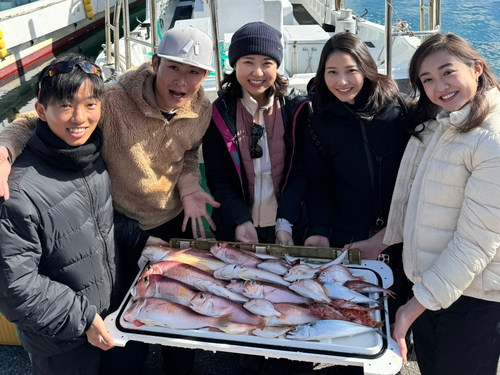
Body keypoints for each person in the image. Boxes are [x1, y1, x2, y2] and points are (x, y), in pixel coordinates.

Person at [0, 26, 217, 375]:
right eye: (174, 67)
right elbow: (33, 120)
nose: (182, 80)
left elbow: (188, 153)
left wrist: (190, 188)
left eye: (194, 71)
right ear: (155, 62)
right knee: (130, 328)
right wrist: (4, 150)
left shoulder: (201, 108)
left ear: (205, 75)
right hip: (117, 225)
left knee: (178, 321)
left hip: (163, 222)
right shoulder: (111, 101)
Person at [355, 33, 500, 375]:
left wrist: (409, 311)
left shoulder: (491, 140)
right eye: (428, 79)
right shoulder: (441, 121)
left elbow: (475, 244)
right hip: (431, 290)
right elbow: (414, 197)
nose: (440, 86)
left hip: (472, 300)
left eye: (448, 72)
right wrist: (383, 240)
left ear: (476, 68)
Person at [303, 32, 411, 333]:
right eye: (332, 72)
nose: (342, 81)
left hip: (399, 235)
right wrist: (319, 230)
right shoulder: (320, 120)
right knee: (351, 315)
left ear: (366, 68)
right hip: (348, 236)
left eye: (351, 71)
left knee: (393, 318)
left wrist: (392, 232)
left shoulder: (398, 111)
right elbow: (318, 182)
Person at [203, 21, 311, 247]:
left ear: (277, 66)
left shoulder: (296, 109)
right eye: (248, 62)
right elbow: (217, 176)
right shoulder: (219, 112)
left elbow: (301, 171)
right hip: (236, 226)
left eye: (267, 63)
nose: (258, 72)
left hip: (288, 226)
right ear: (234, 64)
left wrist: (285, 221)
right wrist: (240, 218)